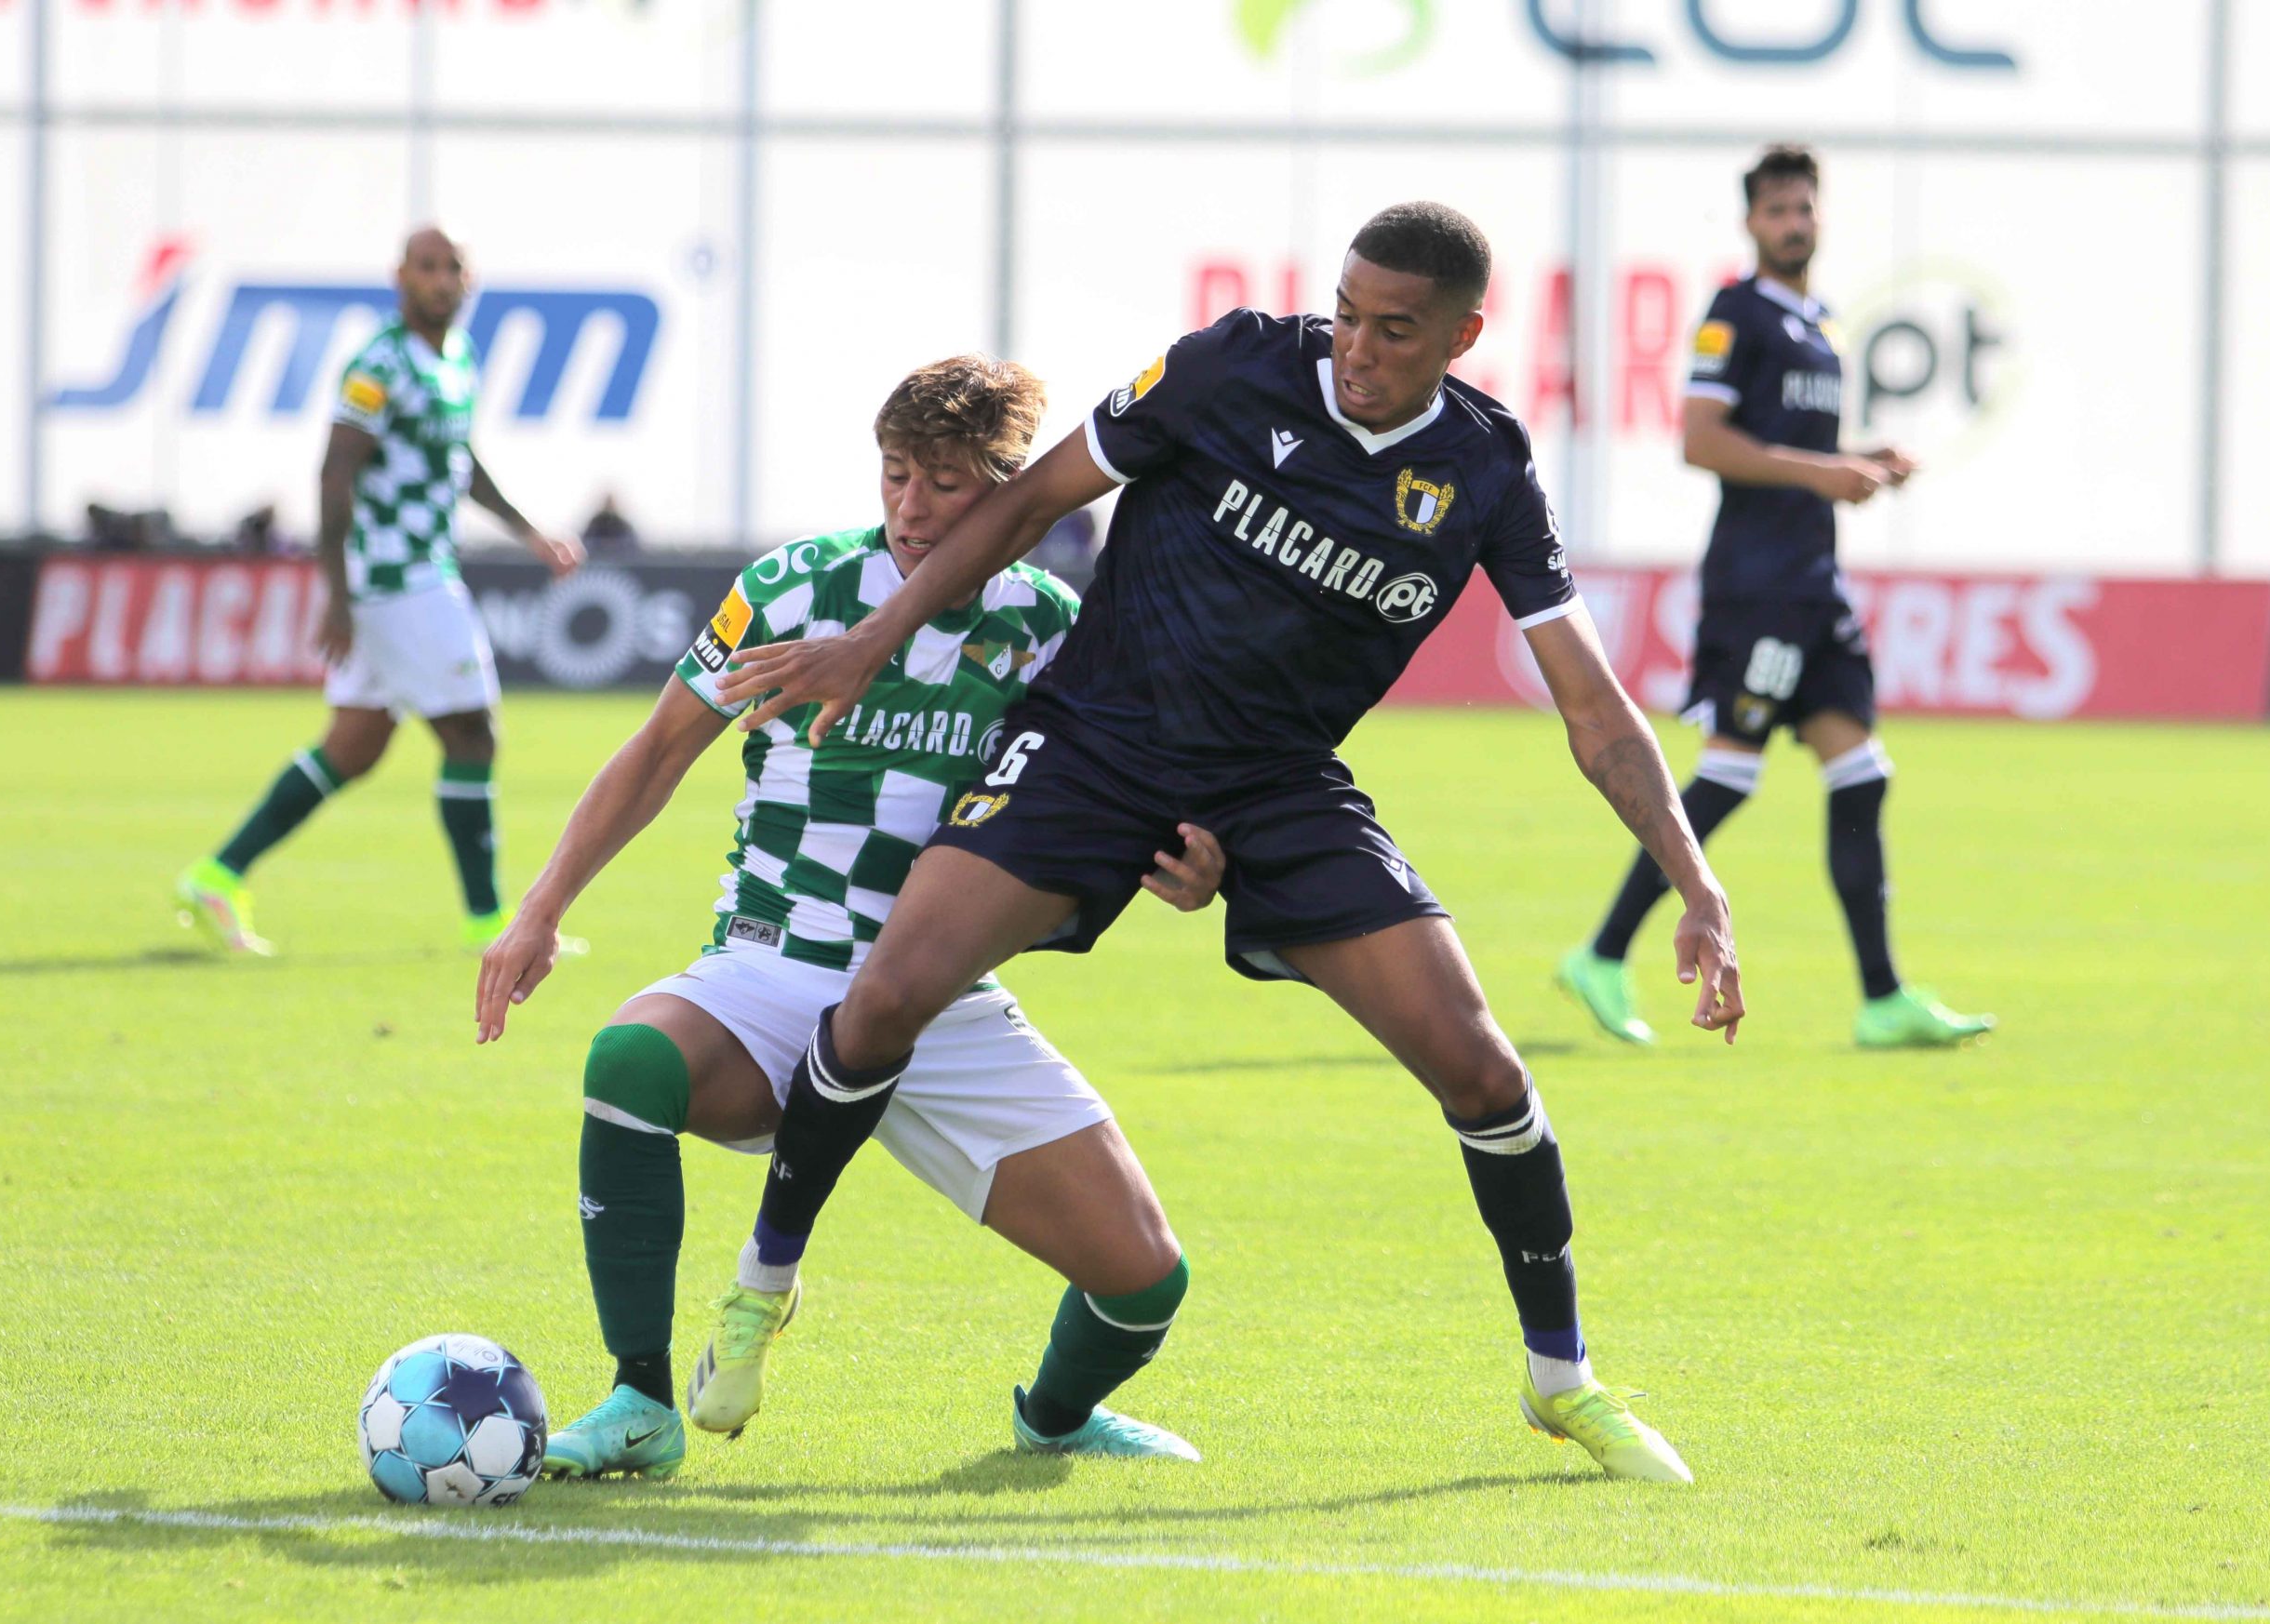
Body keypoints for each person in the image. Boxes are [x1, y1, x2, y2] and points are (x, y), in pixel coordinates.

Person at [701, 204, 1745, 1485]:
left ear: (1466, 334)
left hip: (1272, 789)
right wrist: (876, 639)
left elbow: (1592, 704)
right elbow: (1031, 500)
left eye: (1395, 328)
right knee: (893, 991)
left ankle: (1561, 1379)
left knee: (1480, 1067)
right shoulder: (1229, 366)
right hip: (1094, 743)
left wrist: (1696, 880)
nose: (1357, 346)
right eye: (1349, 311)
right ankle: (765, 1283)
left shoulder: (1484, 469)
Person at [476, 354, 1223, 1476]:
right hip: (773, 976)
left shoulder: (1050, 627)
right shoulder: (793, 587)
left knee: (1143, 1284)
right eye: (895, 476)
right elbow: (656, 754)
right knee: (629, 1059)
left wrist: (1198, 859)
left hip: (942, 1000)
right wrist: (539, 910)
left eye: (947, 483)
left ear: (1011, 486)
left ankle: (1054, 1419)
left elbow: (1129, 788)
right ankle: (639, 1400)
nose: (912, 508)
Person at [1558, 146, 1994, 1050]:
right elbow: (1701, 441)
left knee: (1862, 776)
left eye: (1804, 208)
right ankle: (1600, 954)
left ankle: (1882, 1000)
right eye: (1776, 211)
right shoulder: (1735, 316)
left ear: (1818, 216)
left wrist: (1863, 461)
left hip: (1813, 586)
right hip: (1756, 588)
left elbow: (1793, 450)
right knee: (1726, 777)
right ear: (1751, 223)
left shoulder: (1822, 324)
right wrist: (1825, 472)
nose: (1792, 223)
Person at [175, 226, 583, 956]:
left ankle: (216, 874)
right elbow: (334, 475)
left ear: (470, 278)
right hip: (398, 576)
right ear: (400, 278)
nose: (439, 279)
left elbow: (461, 462)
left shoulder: (457, 358)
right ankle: (489, 923)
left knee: (355, 746)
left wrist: (530, 533)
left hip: (415, 570)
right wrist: (337, 594)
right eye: (426, 267)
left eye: (451, 267)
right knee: (472, 734)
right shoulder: (378, 364)